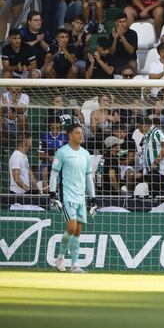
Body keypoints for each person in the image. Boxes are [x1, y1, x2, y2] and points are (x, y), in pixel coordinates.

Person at [50, 117, 97, 273]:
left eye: (81, 133)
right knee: (71, 227)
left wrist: (93, 198)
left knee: (77, 231)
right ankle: (61, 257)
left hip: (80, 197)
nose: (81, 135)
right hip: (67, 196)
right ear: (70, 135)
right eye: (77, 133)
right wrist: (52, 194)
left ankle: (75, 265)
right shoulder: (62, 152)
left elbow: (88, 177)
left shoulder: (85, 154)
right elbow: (54, 174)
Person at [137, 116, 164, 197]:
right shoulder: (147, 136)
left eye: (139, 128)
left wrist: (156, 162)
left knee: (156, 197)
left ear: (144, 125)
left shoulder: (157, 132)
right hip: (151, 172)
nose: (139, 131)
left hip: (159, 171)